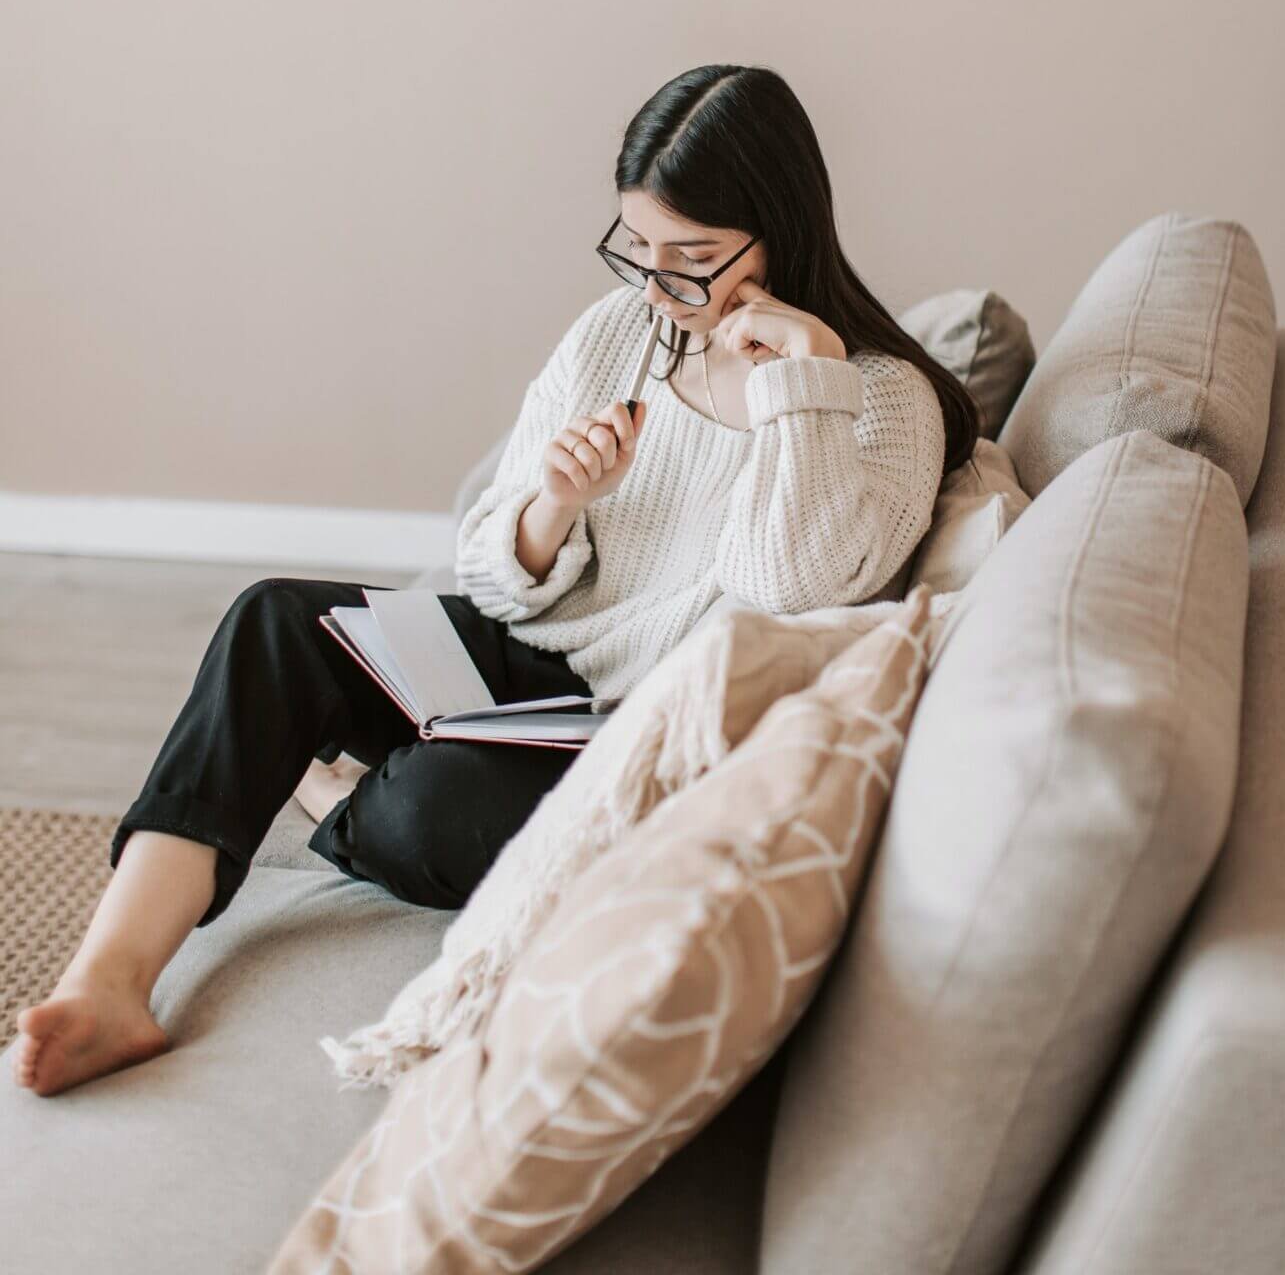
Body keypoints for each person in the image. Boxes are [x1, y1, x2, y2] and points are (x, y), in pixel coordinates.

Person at [11, 62, 978, 1098]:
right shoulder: (622, 335)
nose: (658, 288)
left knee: (432, 802)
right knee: (273, 622)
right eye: (637, 250)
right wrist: (554, 505)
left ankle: (345, 806)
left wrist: (804, 384)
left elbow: (792, 591)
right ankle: (110, 976)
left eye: (692, 259)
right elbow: (490, 567)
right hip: (535, 668)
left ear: (781, 227)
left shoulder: (883, 400)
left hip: (649, 740)